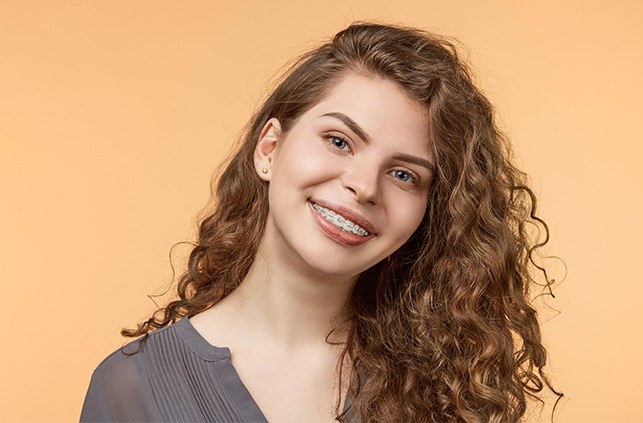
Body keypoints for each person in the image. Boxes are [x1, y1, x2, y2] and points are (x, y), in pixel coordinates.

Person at [80, 22, 562, 422]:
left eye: (403, 174)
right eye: (338, 141)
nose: (365, 186)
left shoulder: (446, 392)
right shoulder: (133, 389)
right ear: (269, 149)